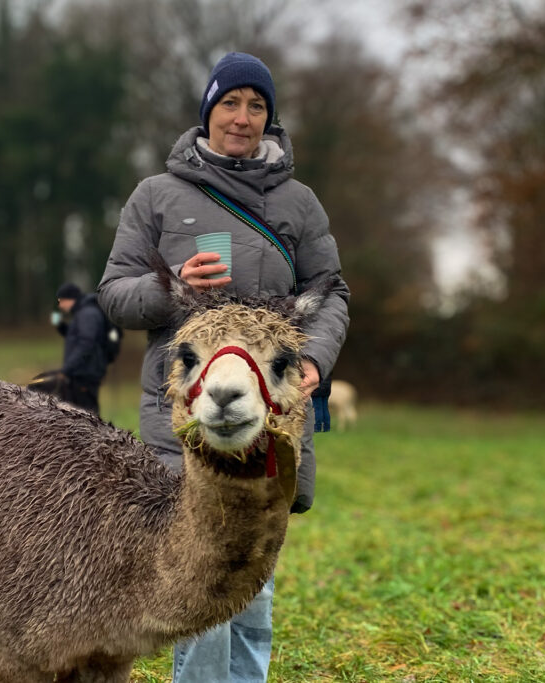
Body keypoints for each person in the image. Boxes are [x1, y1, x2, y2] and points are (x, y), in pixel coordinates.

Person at [97, 51, 350, 683]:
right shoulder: (156, 196)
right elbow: (114, 294)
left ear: (270, 118)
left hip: (269, 408)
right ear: (208, 111)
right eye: (230, 103)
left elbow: (332, 292)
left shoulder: (299, 202)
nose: (242, 118)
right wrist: (168, 285)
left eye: (256, 106)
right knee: (203, 564)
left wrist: (315, 357)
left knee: (252, 568)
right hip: (186, 409)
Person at [52, 282, 111, 415]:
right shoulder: (82, 313)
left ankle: (96, 436)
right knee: (78, 413)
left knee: (87, 414)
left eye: (61, 301)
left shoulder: (87, 314)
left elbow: (86, 344)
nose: (60, 306)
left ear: (70, 299)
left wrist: (67, 369)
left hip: (85, 373)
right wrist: (60, 325)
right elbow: (75, 337)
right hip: (81, 372)